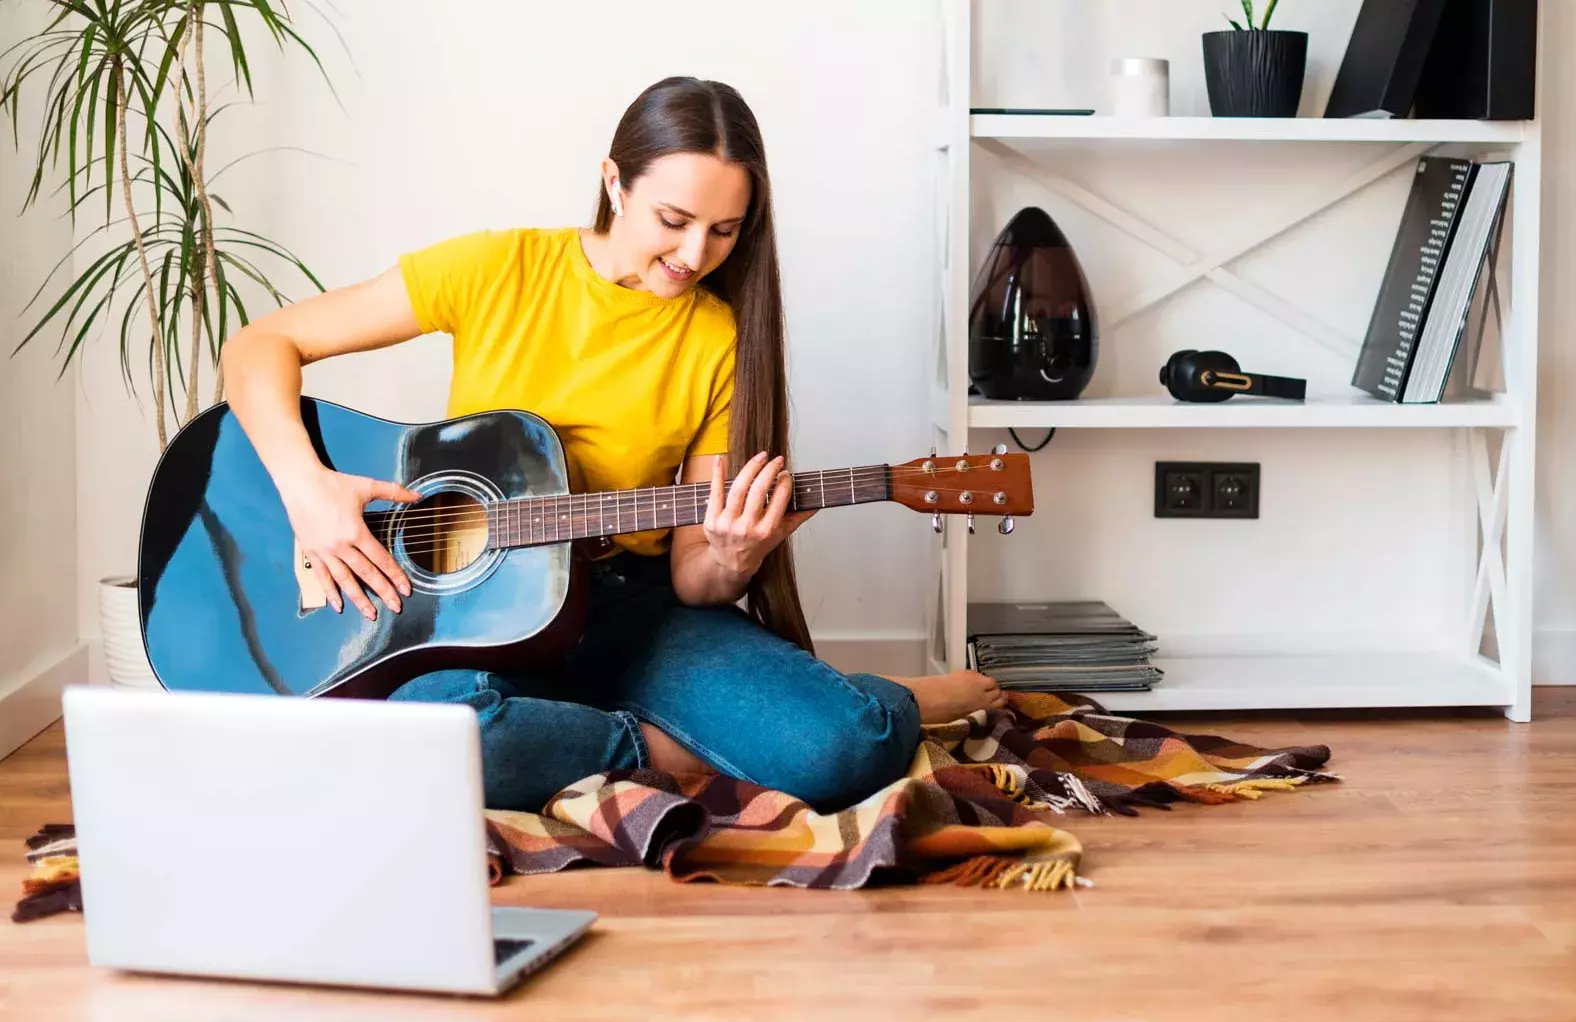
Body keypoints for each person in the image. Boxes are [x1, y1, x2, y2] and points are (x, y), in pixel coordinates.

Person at [219, 76, 1004, 814]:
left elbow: (697, 579)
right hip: (466, 606)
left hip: (628, 604)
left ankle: (875, 699)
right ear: (614, 182)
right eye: (674, 220)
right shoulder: (496, 269)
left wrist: (733, 554)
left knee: (844, 749)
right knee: (439, 735)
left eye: (724, 230)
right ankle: (669, 748)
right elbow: (262, 344)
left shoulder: (721, 338)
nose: (696, 255)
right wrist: (308, 490)